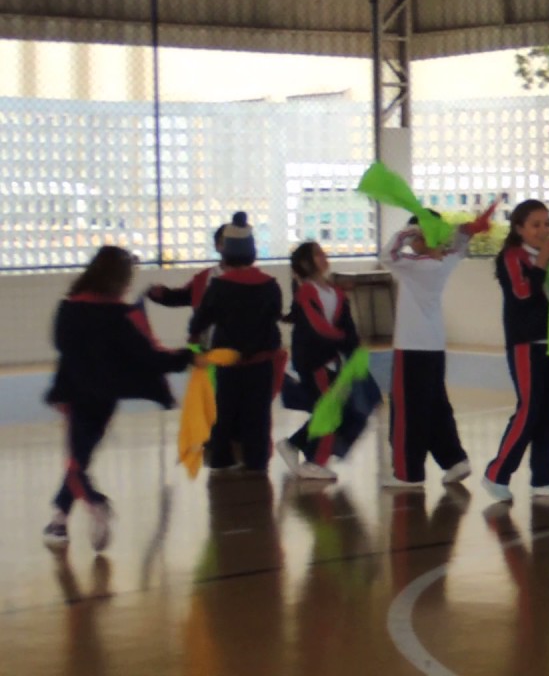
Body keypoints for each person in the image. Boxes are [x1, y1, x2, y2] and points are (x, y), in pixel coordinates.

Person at [43, 246, 198, 550]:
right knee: (80, 457)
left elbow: (61, 344)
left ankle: (95, 502)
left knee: (77, 460)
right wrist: (188, 356)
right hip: (103, 398)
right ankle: (59, 519)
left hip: (73, 394)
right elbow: (150, 356)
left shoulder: (68, 308)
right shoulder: (121, 316)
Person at [377, 207, 493, 488]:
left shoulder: (415, 265)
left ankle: (407, 473)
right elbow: (460, 244)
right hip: (433, 346)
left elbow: (386, 255)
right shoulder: (445, 261)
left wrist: (410, 232)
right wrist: (465, 230)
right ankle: (454, 460)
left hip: (411, 347)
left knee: (407, 409)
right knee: (435, 405)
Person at [482, 200, 549, 501]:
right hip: (525, 343)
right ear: (519, 228)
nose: (544, 230)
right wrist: (542, 264)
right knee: (529, 409)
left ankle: (544, 477)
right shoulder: (512, 257)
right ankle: (497, 473)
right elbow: (523, 293)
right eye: (536, 224)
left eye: (547, 224)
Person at [188, 211, 284, 473]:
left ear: (227, 252)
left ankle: (221, 457)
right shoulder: (270, 285)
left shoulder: (219, 286)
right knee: (258, 412)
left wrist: (194, 336)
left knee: (225, 410)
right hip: (261, 361)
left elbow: (202, 318)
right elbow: (274, 316)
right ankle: (256, 459)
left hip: (228, 361)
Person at [275, 241, 362, 480]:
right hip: (314, 362)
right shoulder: (306, 292)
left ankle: (293, 445)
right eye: (317, 254)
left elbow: (347, 325)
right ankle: (314, 461)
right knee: (330, 410)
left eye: (324, 252)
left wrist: (353, 351)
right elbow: (319, 327)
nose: (324, 257)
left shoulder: (336, 292)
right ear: (305, 263)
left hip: (332, 360)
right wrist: (342, 340)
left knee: (334, 409)